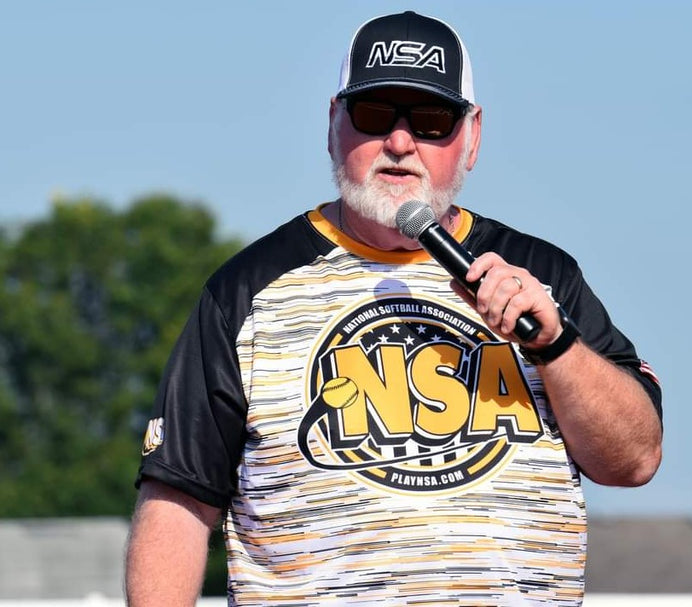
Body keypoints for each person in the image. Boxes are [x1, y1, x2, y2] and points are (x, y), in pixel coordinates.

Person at [125, 10, 662, 606]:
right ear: (334, 123)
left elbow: (634, 460)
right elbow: (179, 500)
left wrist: (555, 346)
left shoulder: (543, 277)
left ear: (473, 135)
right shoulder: (246, 292)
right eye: (376, 115)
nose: (401, 143)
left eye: (432, 121)